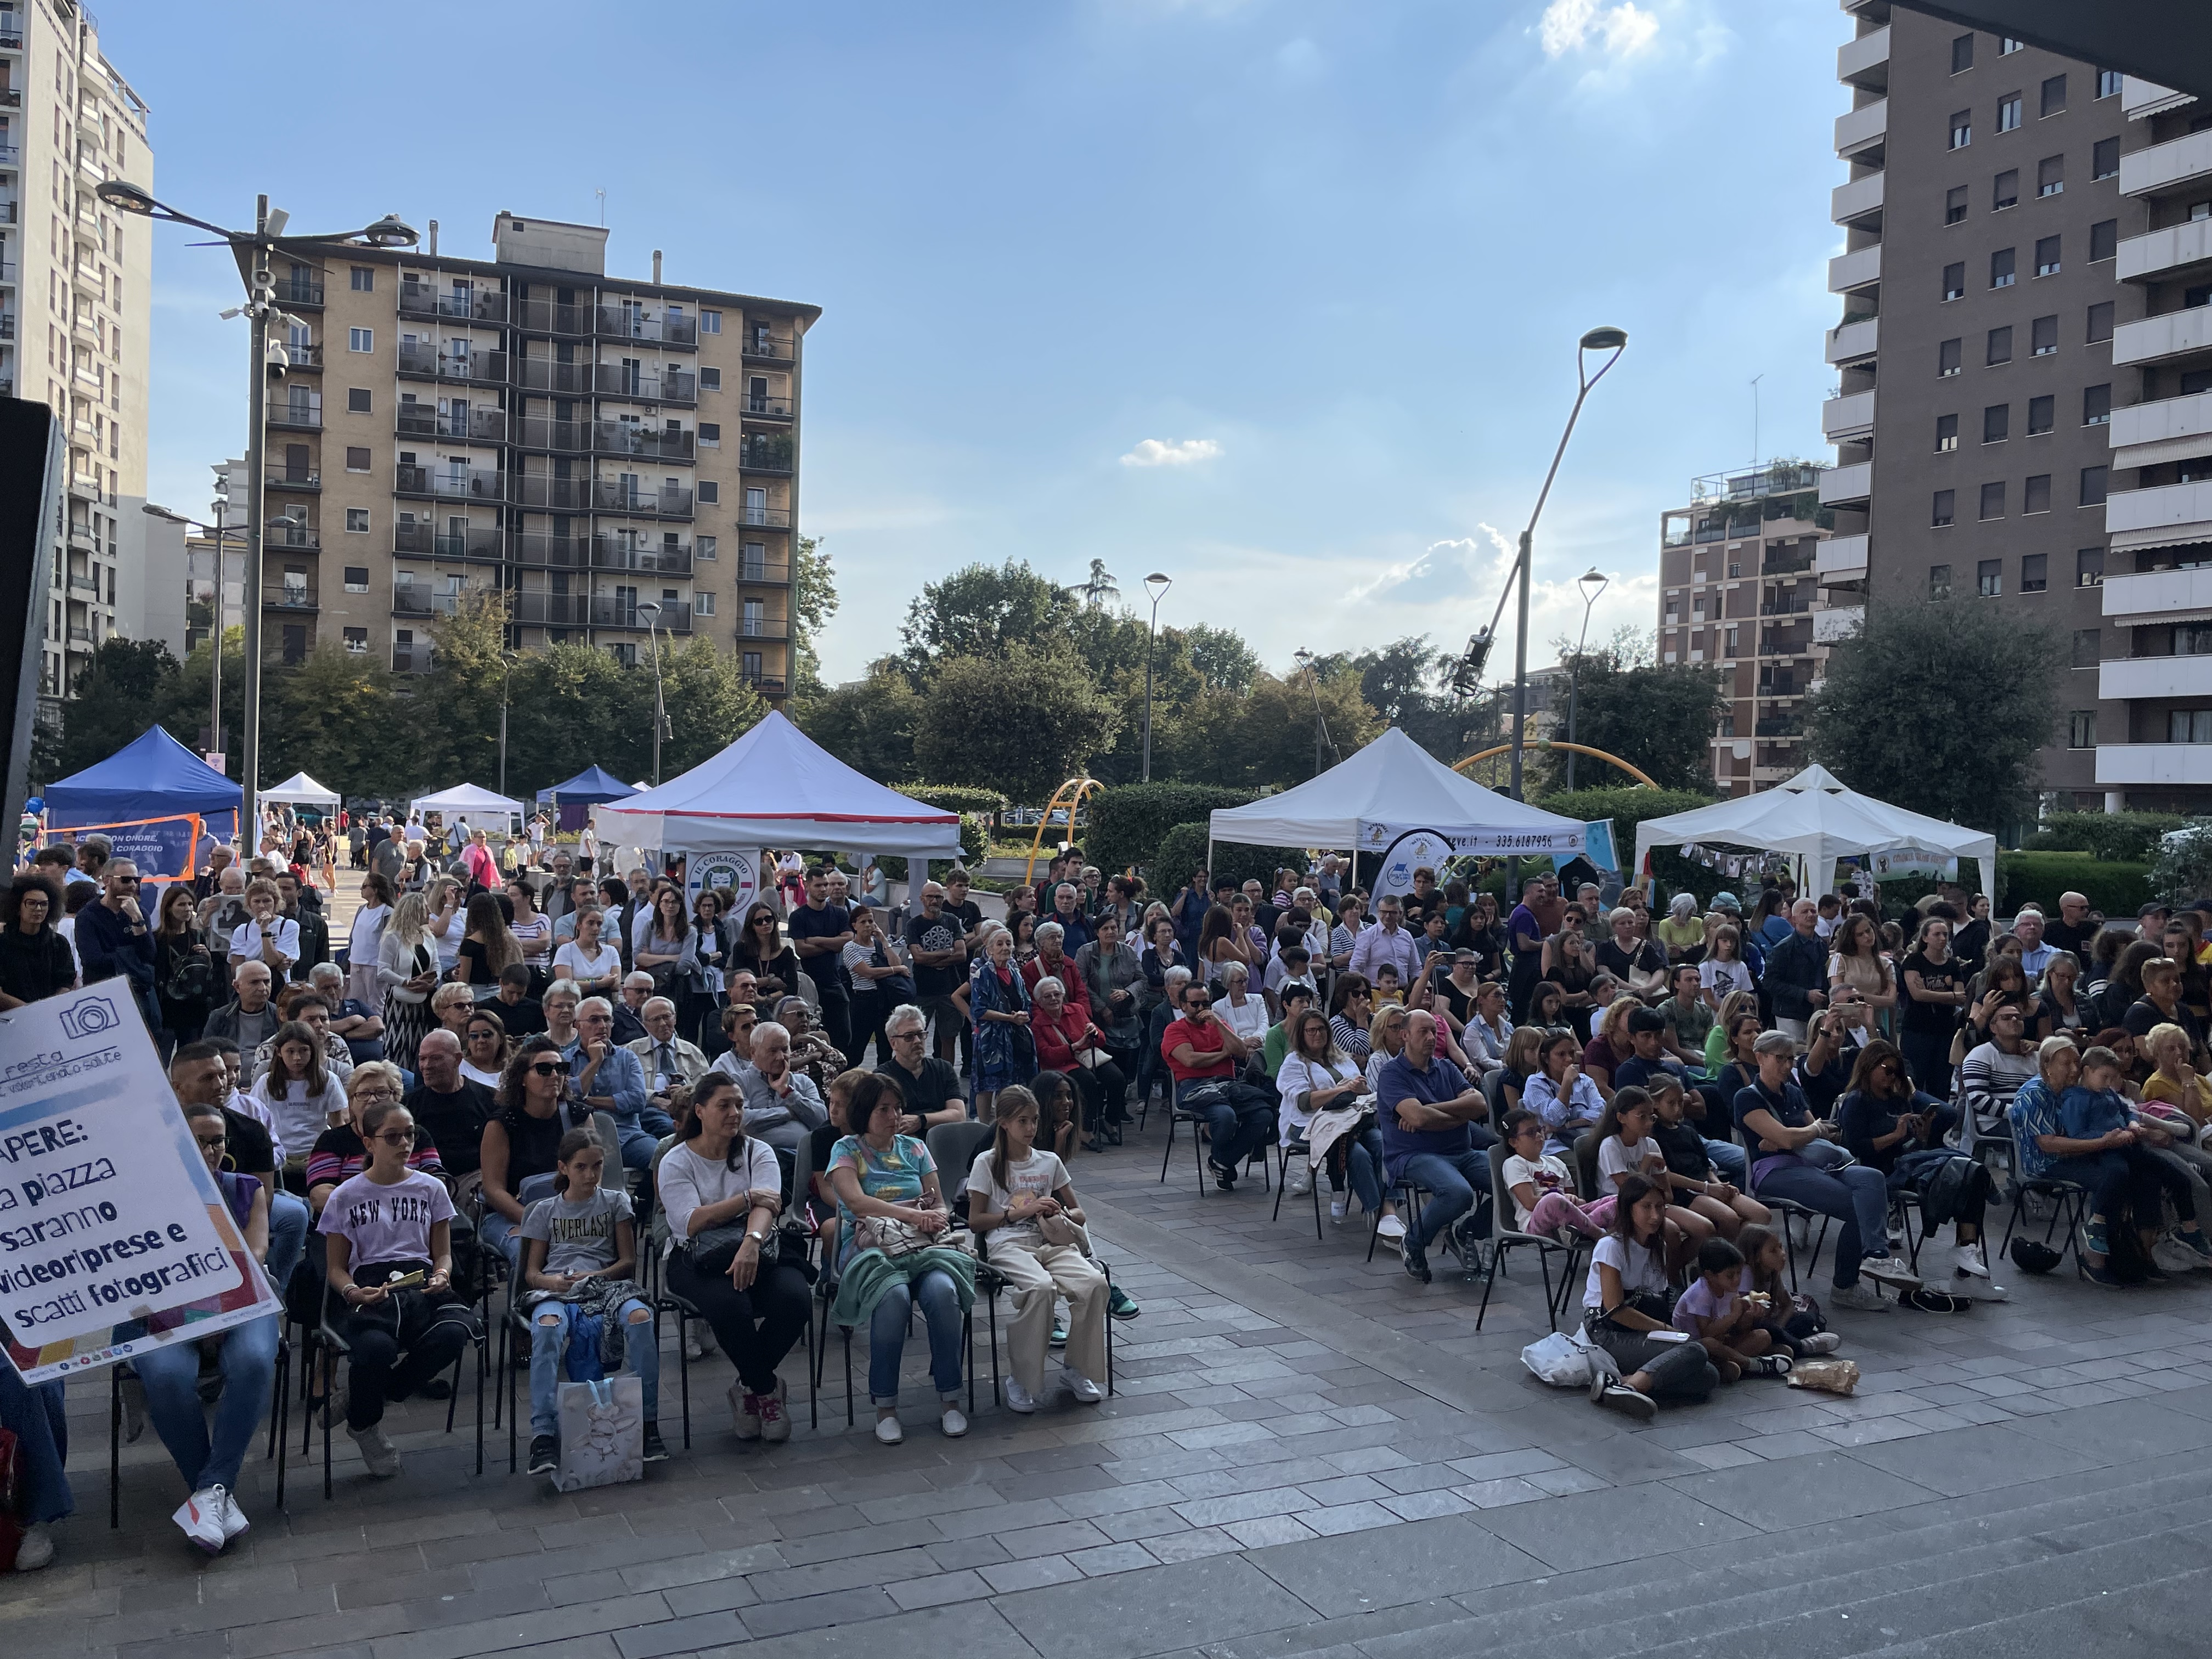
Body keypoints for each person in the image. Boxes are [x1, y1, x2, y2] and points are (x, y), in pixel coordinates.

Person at [131, 1099, 282, 1553]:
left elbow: (253, 1257)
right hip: (167, 1312)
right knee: (163, 1375)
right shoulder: (145, 1197)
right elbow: (141, 1273)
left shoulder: (247, 1188)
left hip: (240, 1304)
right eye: (201, 1141)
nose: (212, 1149)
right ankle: (214, 1491)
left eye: (218, 1140)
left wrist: (217, 1313)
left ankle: (211, 1490)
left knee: (255, 1360)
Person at [318, 1097, 482, 1477]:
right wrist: (353, 1293)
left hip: (420, 1279)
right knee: (376, 1347)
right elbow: (336, 1268)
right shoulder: (345, 1196)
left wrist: (442, 1275)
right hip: (371, 1282)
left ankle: (366, 1403)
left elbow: (442, 1254)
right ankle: (366, 1423)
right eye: (392, 1137)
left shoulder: (431, 1189)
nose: (404, 1143)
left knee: (454, 1333)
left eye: (409, 1134)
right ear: (369, 1142)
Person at [826, 1072, 976, 1444]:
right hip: (868, 1247)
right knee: (893, 1300)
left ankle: (950, 1399)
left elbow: (939, 1201)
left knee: (943, 1294)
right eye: (883, 1109)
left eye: (897, 1108)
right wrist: (911, 1213)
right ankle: (886, 1406)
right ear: (865, 1112)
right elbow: (857, 1203)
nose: (893, 1117)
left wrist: (933, 1214)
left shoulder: (915, 1149)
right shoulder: (846, 1150)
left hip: (920, 1243)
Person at [517, 1128, 666, 1474]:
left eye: (597, 1166)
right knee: (547, 1329)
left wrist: (594, 1278)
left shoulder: (615, 1202)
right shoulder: (544, 1210)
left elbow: (628, 1262)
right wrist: (554, 1282)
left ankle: (648, 1422)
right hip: (557, 1288)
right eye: (581, 1167)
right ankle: (543, 1434)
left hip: (607, 1286)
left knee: (642, 1319)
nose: (590, 1175)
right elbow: (532, 1273)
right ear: (564, 1168)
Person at [964, 1086, 1108, 1413]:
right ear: (1003, 1123)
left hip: (1051, 1241)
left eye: (1034, 1121)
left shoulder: (1049, 1161)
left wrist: (1058, 1212)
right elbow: (975, 1221)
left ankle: (1077, 1369)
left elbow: (1080, 1214)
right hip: (1008, 1244)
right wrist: (1020, 1212)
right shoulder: (987, 1163)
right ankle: (1022, 1377)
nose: (1031, 1129)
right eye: (1023, 1122)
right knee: (1041, 1288)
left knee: (1095, 1284)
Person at [1733, 1030, 1901, 1312]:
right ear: (1760, 1058)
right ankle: (1845, 1286)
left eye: (1790, 1059)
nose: (1788, 1066)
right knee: (1853, 1204)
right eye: (1780, 1059)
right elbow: (1801, 1134)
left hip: (1815, 1162)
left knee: (1872, 1178)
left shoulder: (1794, 1092)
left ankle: (1876, 1253)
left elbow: (1825, 1134)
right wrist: (1803, 1133)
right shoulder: (1747, 1097)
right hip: (1774, 1172)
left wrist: (1795, 1135)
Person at [1581, 1173, 1721, 1420]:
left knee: (1709, 1376)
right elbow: (1615, 1309)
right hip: (1608, 1333)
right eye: (1646, 1207)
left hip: (1644, 1330)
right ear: (1628, 1208)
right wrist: (1666, 1329)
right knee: (1695, 1352)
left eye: (1659, 1207)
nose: (1655, 1216)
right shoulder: (1611, 1247)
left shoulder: (1659, 1248)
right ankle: (1630, 1388)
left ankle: (1623, 1381)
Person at [1374, 1009, 1494, 1283]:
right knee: (1458, 1193)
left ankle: (1466, 1232)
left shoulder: (1447, 1067)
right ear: (1405, 1035)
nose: (1431, 1037)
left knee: (1511, 1182)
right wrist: (1457, 1116)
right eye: (1423, 1032)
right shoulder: (1392, 1074)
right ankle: (1414, 1243)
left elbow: (1479, 1105)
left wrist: (1430, 1112)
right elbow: (1416, 1118)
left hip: (1462, 1152)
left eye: (1434, 1032)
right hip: (1414, 1155)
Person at [1277, 1006, 1397, 1234]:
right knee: (1359, 1155)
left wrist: (1360, 1089)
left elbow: (1363, 1092)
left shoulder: (1342, 1059)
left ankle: (1389, 1208)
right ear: (1301, 1035)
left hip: (1351, 1119)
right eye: (1311, 1031)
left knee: (1384, 1145)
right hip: (1309, 1124)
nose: (1317, 1035)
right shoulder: (1294, 1063)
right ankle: (1381, 1213)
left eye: (1321, 1029)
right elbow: (1304, 1102)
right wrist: (1340, 1090)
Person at [1161, 976, 1278, 1190]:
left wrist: (1220, 1027)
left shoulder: (1218, 1024)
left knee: (1265, 1114)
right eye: (1195, 1004)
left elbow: (1242, 1052)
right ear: (1183, 1006)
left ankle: (1221, 1161)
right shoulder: (1175, 1030)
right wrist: (1223, 1054)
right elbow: (1191, 1060)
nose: (1201, 1009)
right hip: (1194, 1087)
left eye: (1205, 1003)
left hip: (1227, 1084)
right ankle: (1223, 1161)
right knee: (1226, 1117)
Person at [566, 995, 665, 1169]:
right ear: (577, 1026)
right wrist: (595, 1062)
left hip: (628, 1136)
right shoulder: (565, 1061)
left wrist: (587, 1102)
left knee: (662, 1159)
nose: (602, 1026)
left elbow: (637, 1101)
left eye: (607, 1019)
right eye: (594, 1020)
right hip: (583, 1140)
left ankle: (643, 1195)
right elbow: (571, 1098)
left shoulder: (628, 1058)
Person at [1671, 1237, 1787, 1383]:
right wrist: (1735, 1314)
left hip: (1721, 1344)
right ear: (1710, 1276)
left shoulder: (1730, 1288)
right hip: (1695, 1348)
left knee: (1763, 1336)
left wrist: (1750, 1315)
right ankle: (1752, 1364)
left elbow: (1739, 1328)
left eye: (1739, 1273)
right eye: (1731, 1275)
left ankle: (1729, 1364)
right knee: (1709, 1343)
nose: (1737, 1280)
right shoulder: (1700, 1294)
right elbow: (1706, 1333)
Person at [250, 1018, 350, 1177]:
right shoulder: (266, 1082)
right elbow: (255, 1121)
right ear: (279, 1052)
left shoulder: (329, 1080)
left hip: (316, 1153)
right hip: (278, 1153)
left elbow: (338, 1124)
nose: (297, 1058)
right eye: (290, 1051)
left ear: (313, 1051)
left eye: (304, 1051)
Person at [1497, 1107, 1608, 1240]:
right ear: (1514, 1142)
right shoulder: (1514, 1164)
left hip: (1567, 1217)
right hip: (1535, 1224)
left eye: (1540, 1130)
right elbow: (1530, 1203)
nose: (1539, 1136)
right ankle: (1598, 1234)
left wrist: (1574, 1200)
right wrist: (1563, 1199)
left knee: (1616, 1200)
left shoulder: (1556, 1162)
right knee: (1553, 1200)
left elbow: (1573, 1199)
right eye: (1531, 1133)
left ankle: (1578, 1230)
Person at [76, 858, 159, 1031]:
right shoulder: (88, 915)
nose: (132, 885)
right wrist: (131, 957)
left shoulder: (139, 912)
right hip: (103, 995)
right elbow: (93, 960)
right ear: (107, 881)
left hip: (139, 994)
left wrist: (137, 920)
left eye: (137, 880)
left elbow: (149, 955)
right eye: (126, 879)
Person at [406, 1030, 494, 1183]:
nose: (427, 1066)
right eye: (422, 1059)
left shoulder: (489, 1099)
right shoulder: (408, 1106)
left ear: (458, 1059)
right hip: (425, 1181)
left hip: (475, 1179)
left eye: (435, 1058)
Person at [969, 925, 1035, 1122]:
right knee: (987, 1085)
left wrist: (1024, 1015)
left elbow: (1027, 1001)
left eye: (1008, 943)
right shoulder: (982, 974)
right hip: (991, 1040)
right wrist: (1009, 1018)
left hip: (1015, 1038)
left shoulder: (1016, 973)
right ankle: (982, 1127)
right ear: (990, 950)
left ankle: (1005, 1125)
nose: (1005, 947)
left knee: (1010, 1085)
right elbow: (978, 1010)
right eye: (999, 944)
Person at [735, 1020, 827, 1155]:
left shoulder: (803, 1082)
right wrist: (788, 1113)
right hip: (757, 1158)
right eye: (773, 1051)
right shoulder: (738, 1082)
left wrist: (788, 1093)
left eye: (785, 1050)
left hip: (802, 1159)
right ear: (753, 1052)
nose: (780, 1057)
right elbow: (743, 1121)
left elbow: (822, 1120)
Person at [904, 883, 970, 1063]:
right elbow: (918, 958)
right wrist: (948, 951)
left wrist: (930, 958)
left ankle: (947, 1076)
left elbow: (962, 955)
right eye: (930, 897)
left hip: (949, 989)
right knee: (915, 1038)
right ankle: (917, 1074)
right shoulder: (914, 924)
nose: (934, 900)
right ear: (922, 899)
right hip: (922, 990)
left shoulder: (952, 921)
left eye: (939, 897)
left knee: (949, 1038)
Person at [375, 891, 441, 1073]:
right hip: (399, 1003)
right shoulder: (392, 937)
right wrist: (406, 982)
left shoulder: (428, 936)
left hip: (424, 1000)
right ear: (414, 911)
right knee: (399, 1046)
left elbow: (437, 964)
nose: (429, 912)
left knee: (421, 1045)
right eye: (425, 909)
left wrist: (432, 983)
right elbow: (382, 971)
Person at [842, 902, 913, 1067]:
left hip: (883, 1001)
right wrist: (896, 969)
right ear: (854, 926)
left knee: (885, 1049)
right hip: (863, 1002)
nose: (868, 925)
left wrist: (883, 939)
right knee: (856, 1049)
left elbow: (897, 962)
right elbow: (868, 973)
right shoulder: (850, 948)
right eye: (863, 922)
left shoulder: (879, 945)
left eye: (871, 921)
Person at [0, 870, 76, 1009]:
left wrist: (46, 1009)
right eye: (32, 903)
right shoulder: (3, 943)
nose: (39, 909)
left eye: (44, 904)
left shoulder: (59, 943)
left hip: (50, 1015)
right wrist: (32, 1011)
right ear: (18, 907)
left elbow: (66, 982)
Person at [1524, 1028, 1605, 1157]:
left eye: (1572, 1053)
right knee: (1580, 1168)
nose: (1569, 1059)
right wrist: (1567, 1083)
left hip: (1588, 1140)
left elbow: (1601, 1113)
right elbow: (1555, 1119)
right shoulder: (1535, 1083)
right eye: (1561, 1054)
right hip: (1555, 1146)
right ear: (1546, 1058)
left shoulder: (1585, 1081)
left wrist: (1568, 1125)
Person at [1765, 899, 1829, 1042]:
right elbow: (1770, 983)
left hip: (1817, 1012)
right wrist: (1805, 994)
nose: (1811, 915)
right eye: (1805, 912)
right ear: (1794, 919)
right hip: (1790, 1013)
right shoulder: (1783, 948)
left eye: (1813, 911)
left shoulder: (1822, 945)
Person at [1350, 894, 1421, 990]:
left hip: (1403, 992)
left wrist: (1414, 990)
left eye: (1392, 913)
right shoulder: (1368, 936)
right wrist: (1367, 987)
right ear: (1379, 912)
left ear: (1400, 913)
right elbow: (1355, 968)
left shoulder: (1407, 936)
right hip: (1375, 992)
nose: (1388, 916)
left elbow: (1416, 968)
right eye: (1384, 912)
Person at [1596, 907, 1668, 1001]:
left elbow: (1659, 971)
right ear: (1613, 927)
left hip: (1646, 999)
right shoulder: (1605, 947)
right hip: (1616, 998)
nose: (1628, 926)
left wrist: (1648, 989)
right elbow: (1605, 972)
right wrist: (1633, 989)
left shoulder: (1646, 947)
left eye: (1630, 922)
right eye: (1622, 923)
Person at [552, 905, 622, 997]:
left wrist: (581, 983)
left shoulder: (611, 951)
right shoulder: (565, 951)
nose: (596, 928)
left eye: (599, 924)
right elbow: (566, 986)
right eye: (591, 923)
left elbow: (616, 985)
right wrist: (601, 983)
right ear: (579, 925)